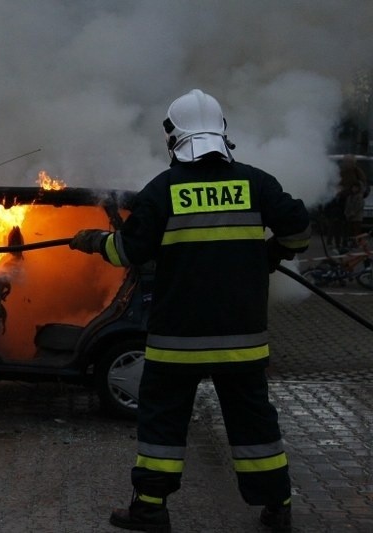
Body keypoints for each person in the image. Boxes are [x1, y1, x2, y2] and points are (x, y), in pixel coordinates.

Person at [69, 89, 310, 533]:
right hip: (242, 340)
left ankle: (150, 509)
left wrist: (94, 242)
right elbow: (299, 230)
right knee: (254, 423)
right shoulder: (257, 183)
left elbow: (129, 252)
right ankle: (277, 505)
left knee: (162, 424)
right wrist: (271, 254)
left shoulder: (161, 191)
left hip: (176, 340)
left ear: (173, 138)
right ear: (222, 132)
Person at [339, 154, 367, 246]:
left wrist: (359, 193)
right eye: (345, 161)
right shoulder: (341, 171)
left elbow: (362, 184)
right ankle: (345, 241)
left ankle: (355, 242)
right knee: (344, 225)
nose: (346, 163)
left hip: (354, 200)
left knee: (355, 226)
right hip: (343, 199)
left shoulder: (357, 172)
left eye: (349, 162)